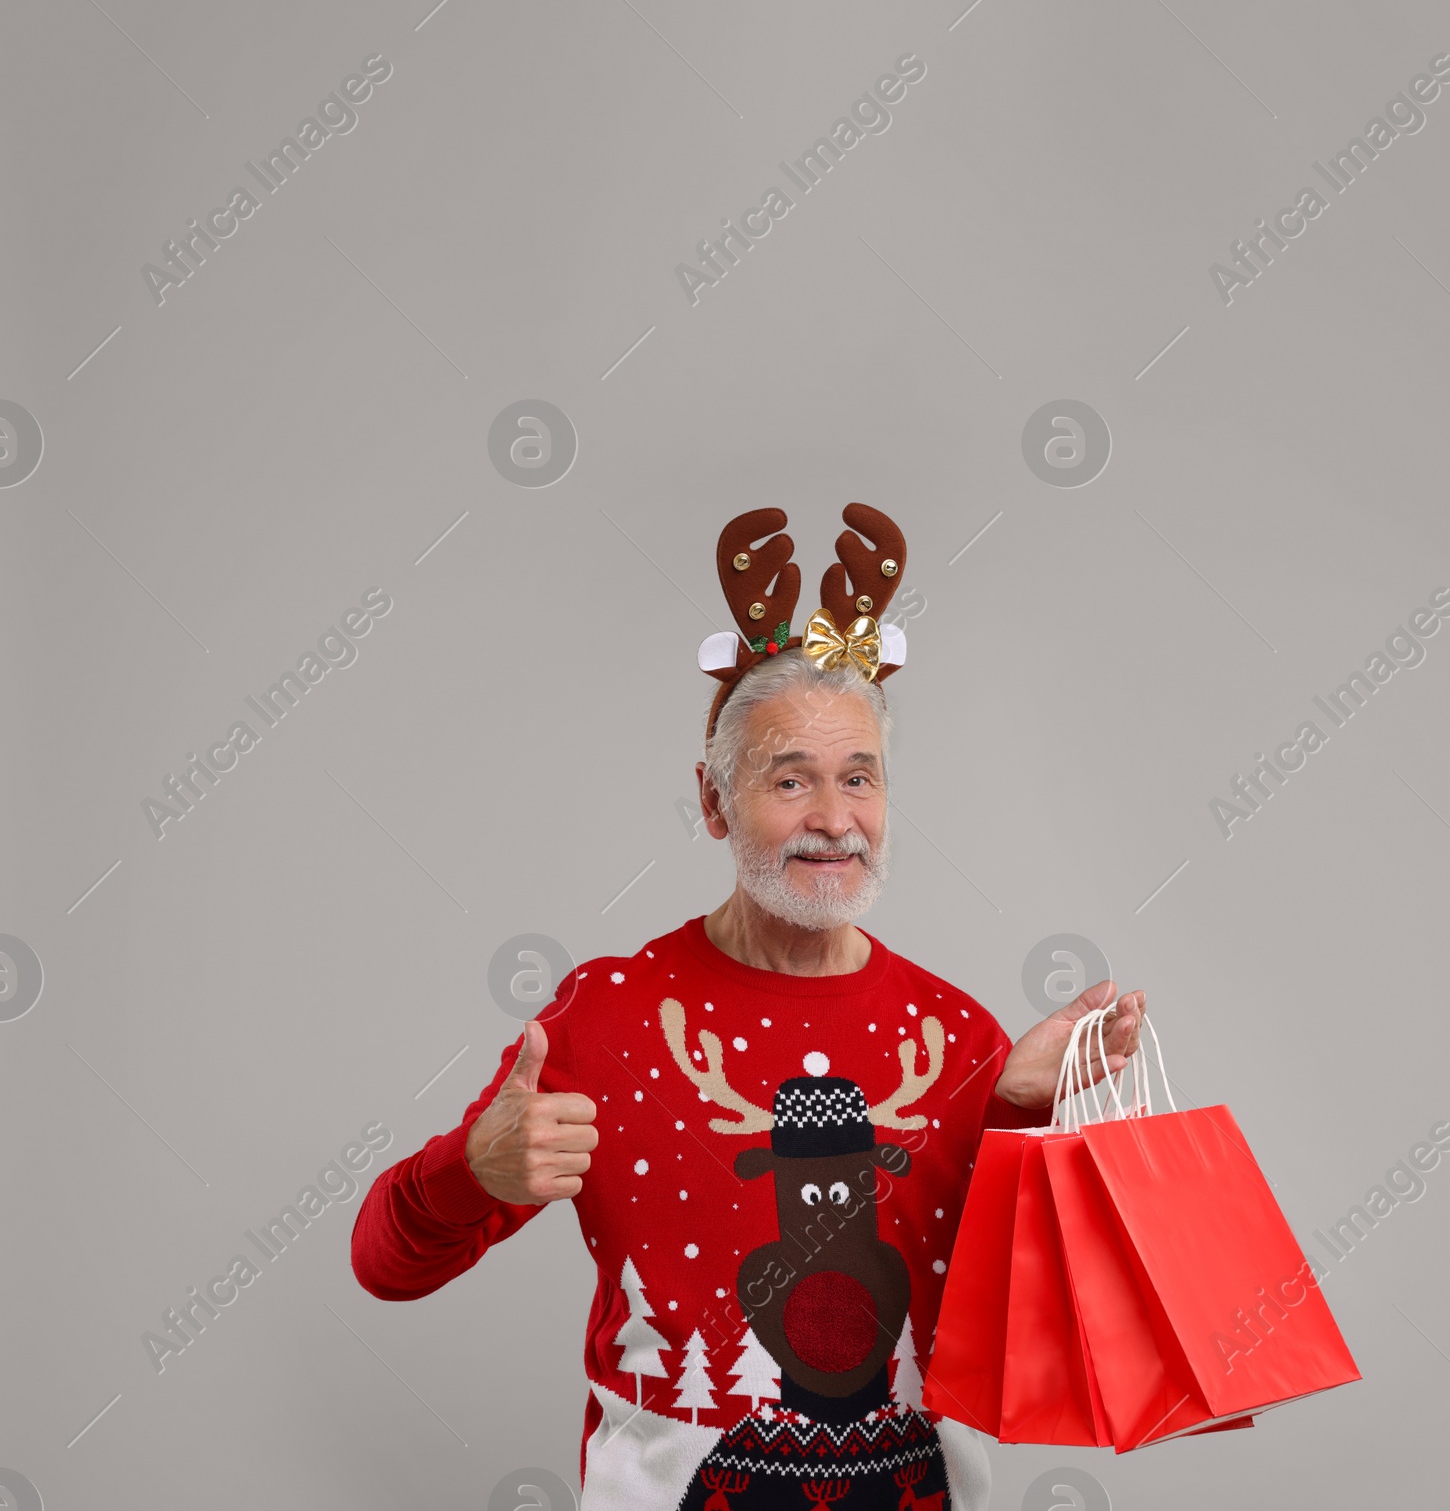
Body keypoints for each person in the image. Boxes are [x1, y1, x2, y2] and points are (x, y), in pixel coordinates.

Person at [352, 504, 1144, 1511]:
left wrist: (1020, 1112)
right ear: (714, 800)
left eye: (859, 777)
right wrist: (468, 1171)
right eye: (789, 778)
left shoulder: (957, 1038)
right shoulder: (607, 1020)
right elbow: (385, 1263)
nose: (832, 818)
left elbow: (1036, 1328)